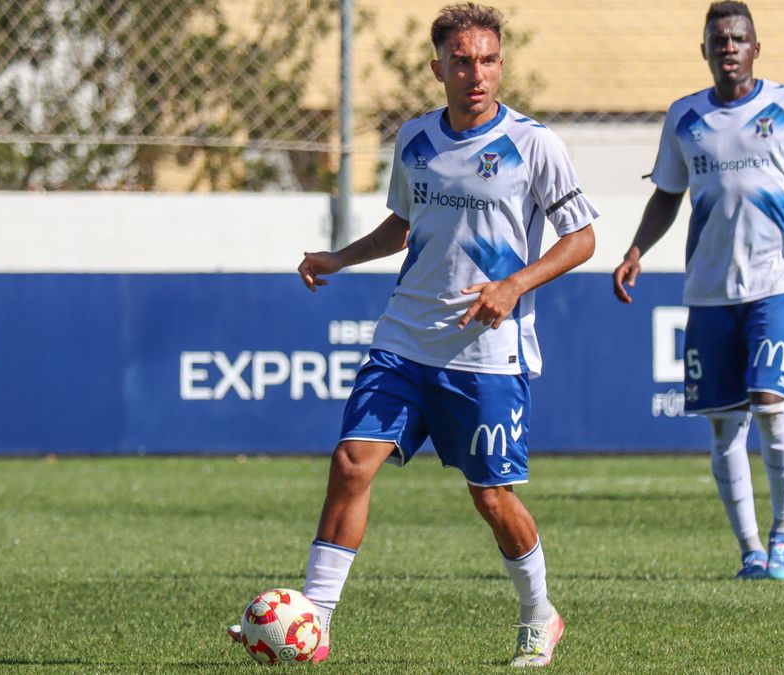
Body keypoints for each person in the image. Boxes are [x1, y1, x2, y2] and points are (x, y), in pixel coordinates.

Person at [228, 3, 597, 666]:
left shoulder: (534, 144)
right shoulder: (416, 138)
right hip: (404, 338)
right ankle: (316, 620)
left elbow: (582, 239)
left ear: (500, 65)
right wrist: (338, 258)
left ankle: (540, 611)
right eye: (462, 61)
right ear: (438, 69)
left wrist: (513, 286)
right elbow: (403, 225)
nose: (475, 73)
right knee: (351, 462)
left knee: (490, 497)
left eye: (487, 60)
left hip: (486, 352)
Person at [612, 1, 784, 581]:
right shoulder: (684, 118)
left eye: (739, 38)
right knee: (723, 423)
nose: (729, 47)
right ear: (705, 50)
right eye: (720, 39)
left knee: (770, 406)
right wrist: (637, 249)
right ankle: (750, 550)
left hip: (777, 280)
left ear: (756, 49)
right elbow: (668, 193)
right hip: (709, 289)